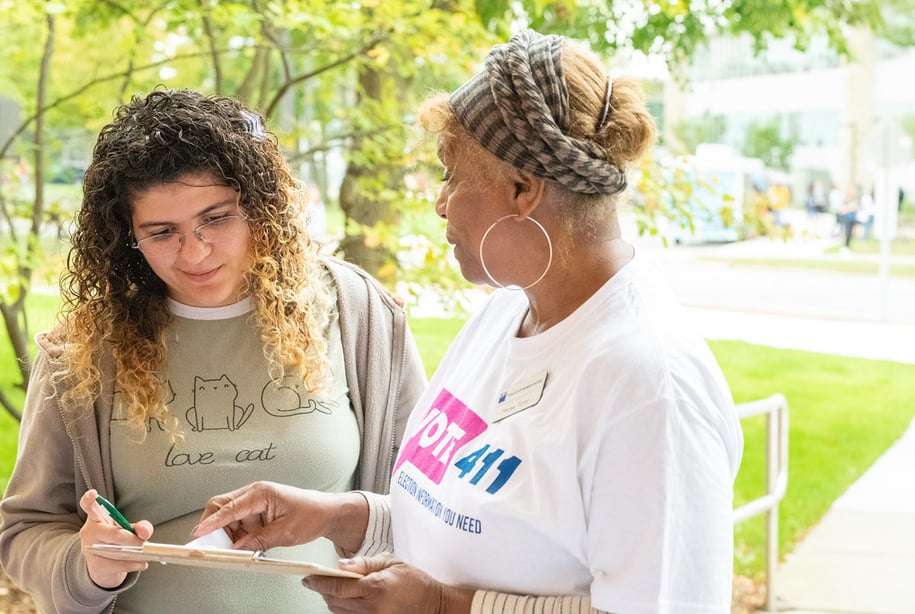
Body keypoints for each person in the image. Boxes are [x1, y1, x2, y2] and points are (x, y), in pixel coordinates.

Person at [194, 29, 744, 613]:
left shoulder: (649, 388)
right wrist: (337, 517)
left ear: (522, 189)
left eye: (452, 174)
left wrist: (441, 606)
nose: (440, 202)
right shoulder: (506, 313)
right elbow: (465, 523)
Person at [0, 89, 427, 613]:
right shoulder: (85, 348)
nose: (195, 252)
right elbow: (27, 529)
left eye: (217, 218)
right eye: (162, 233)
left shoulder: (359, 315)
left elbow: (429, 503)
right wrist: (86, 566)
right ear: (124, 238)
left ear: (258, 206)